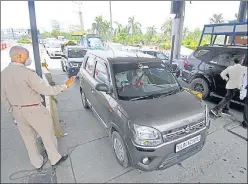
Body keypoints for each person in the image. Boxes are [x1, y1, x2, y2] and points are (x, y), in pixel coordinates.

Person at [1, 46, 76, 170]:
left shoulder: (3, 74)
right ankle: (55, 159)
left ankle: (37, 163)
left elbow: (3, 98)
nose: (28, 58)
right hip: (34, 109)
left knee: (29, 139)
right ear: (18, 57)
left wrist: (13, 113)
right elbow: (47, 90)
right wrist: (65, 86)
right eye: (26, 55)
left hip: (17, 111)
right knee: (47, 135)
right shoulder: (27, 73)